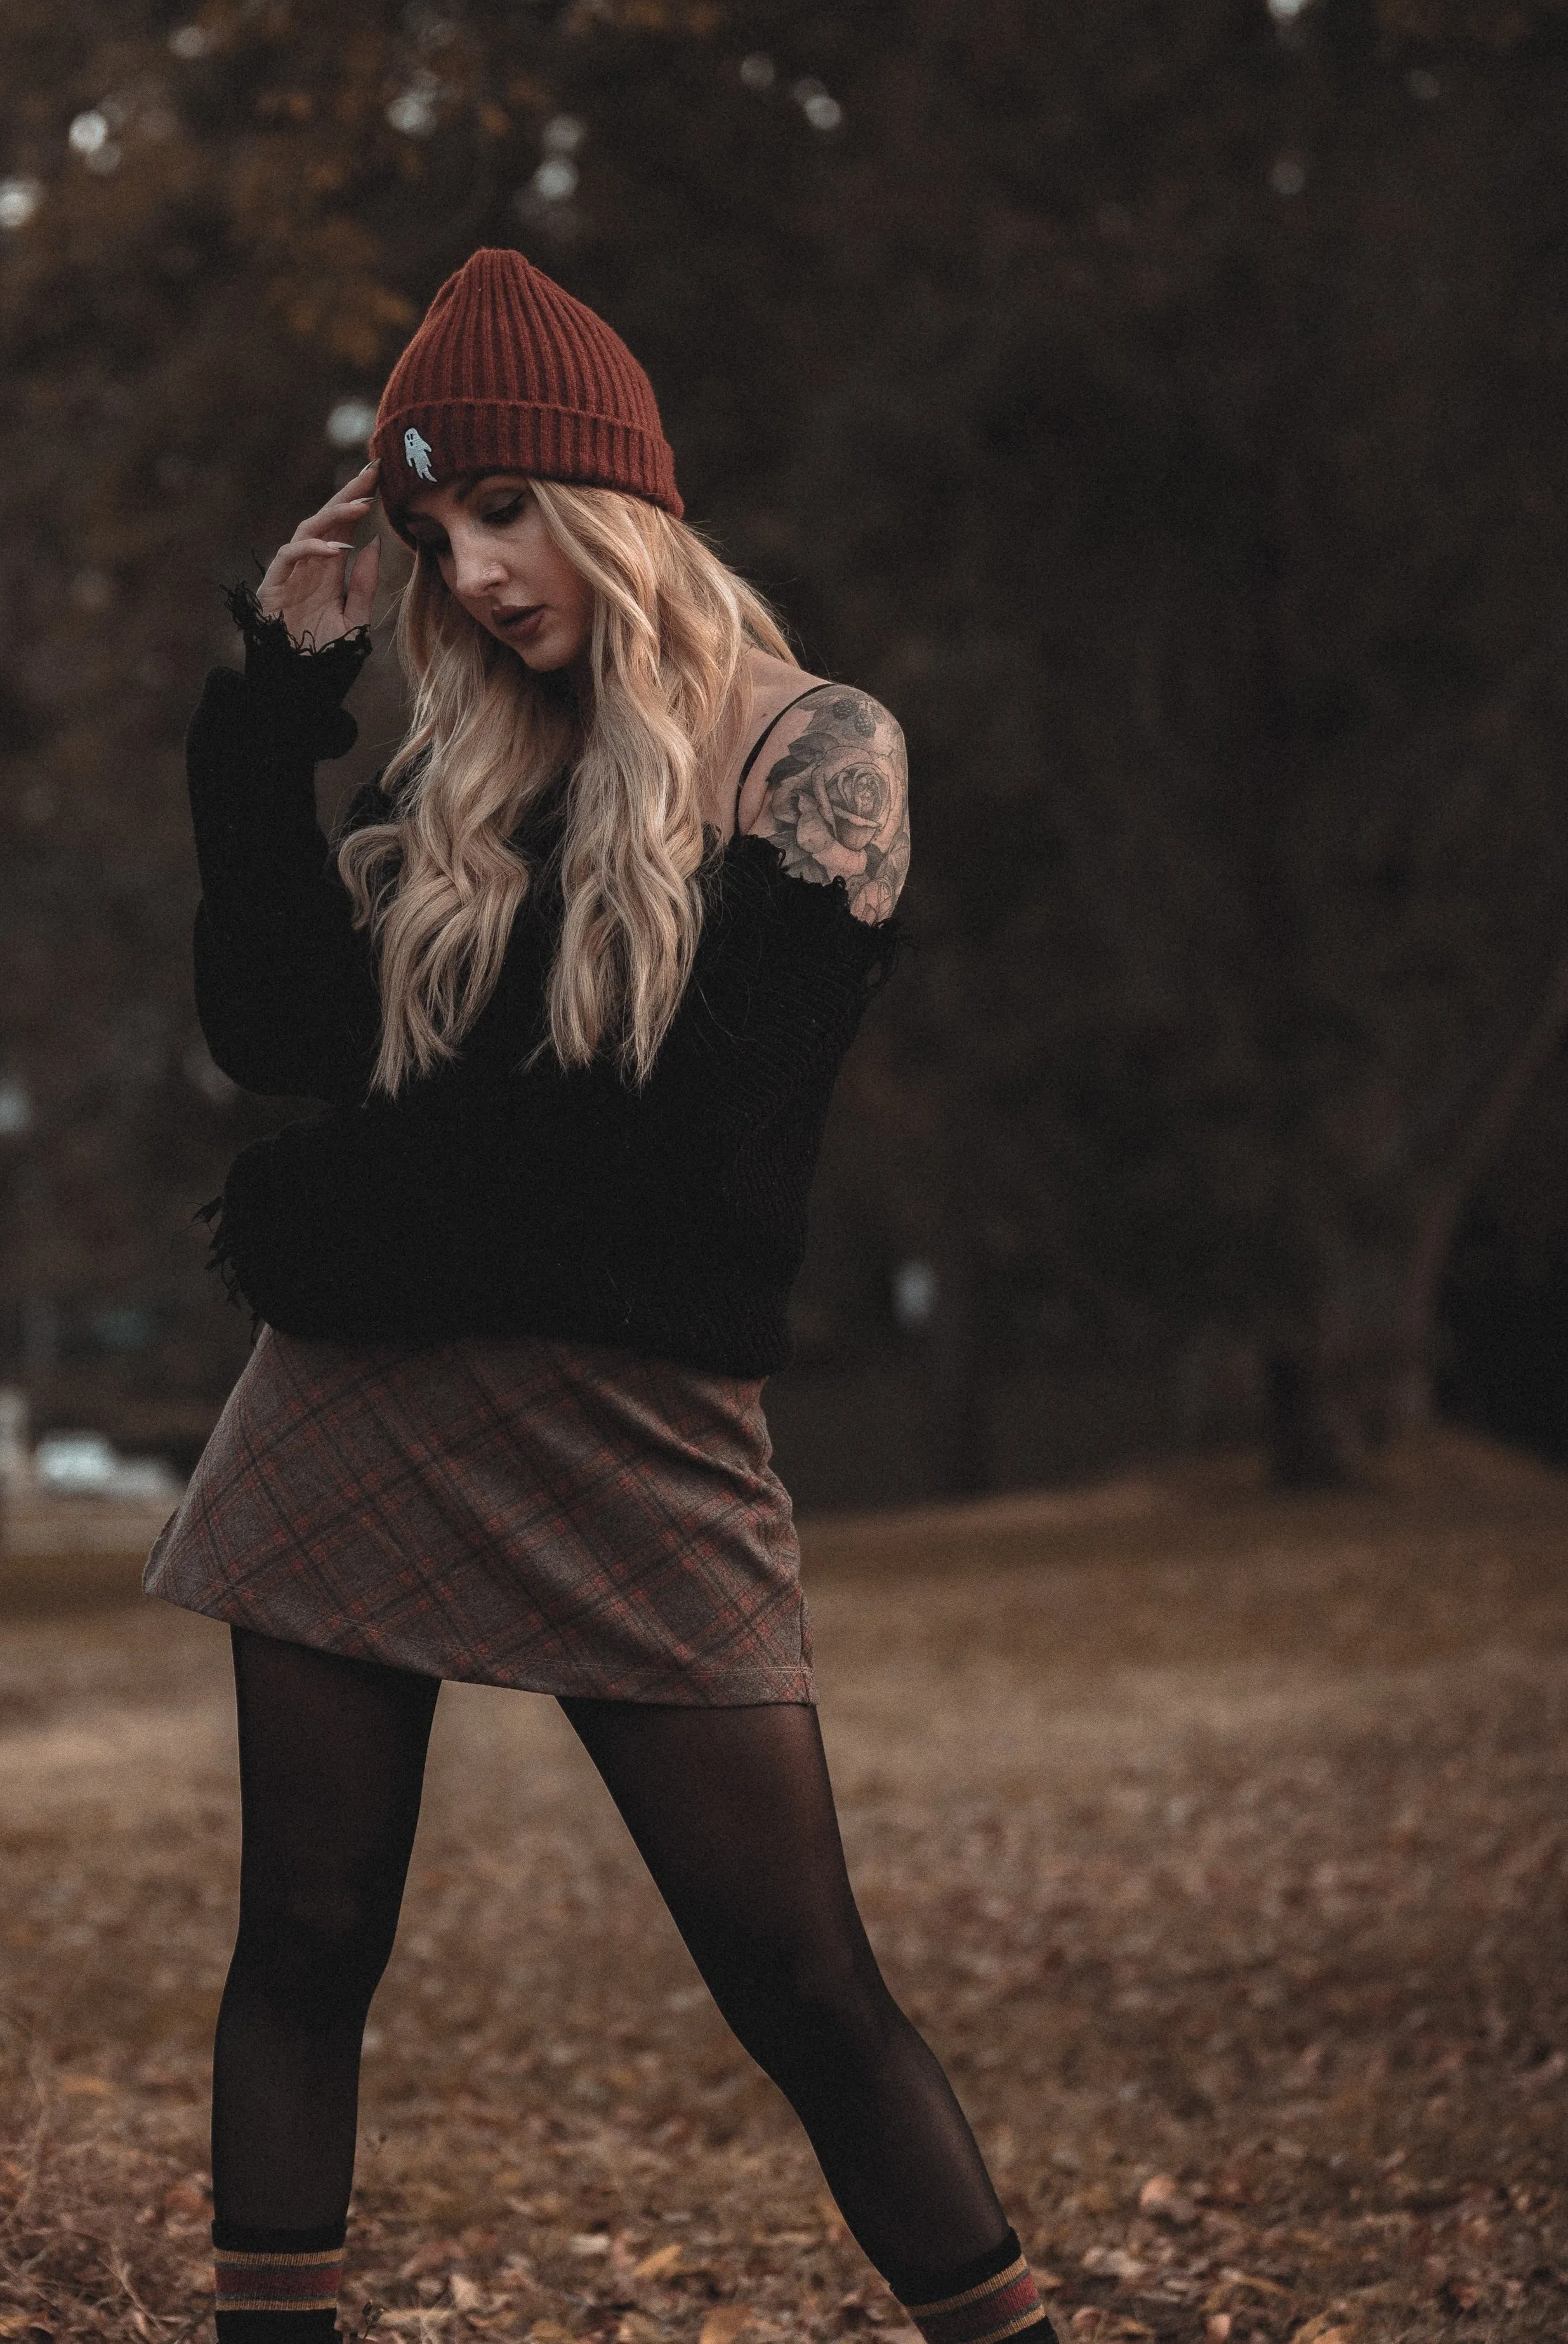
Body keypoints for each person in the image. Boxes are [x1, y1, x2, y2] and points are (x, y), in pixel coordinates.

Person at [145, 249, 1056, 2344]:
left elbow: (693, 1192)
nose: (468, 574)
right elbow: (276, 1025)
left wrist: (342, 1215)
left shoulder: (812, 756)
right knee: (300, 1929)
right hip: (355, 1411)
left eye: (505, 512)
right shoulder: (466, 772)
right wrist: (273, 706)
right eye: (431, 530)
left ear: (617, 498)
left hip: (638, 1438)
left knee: (803, 1982)